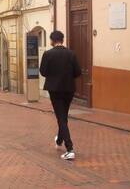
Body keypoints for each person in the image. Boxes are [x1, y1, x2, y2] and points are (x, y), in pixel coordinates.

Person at [40, 31, 82, 161]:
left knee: (61, 117)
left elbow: (43, 71)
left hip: (54, 89)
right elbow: (78, 72)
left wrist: (53, 76)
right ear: (62, 40)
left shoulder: (48, 54)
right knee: (63, 115)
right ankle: (59, 140)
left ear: (52, 40)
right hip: (69, 89)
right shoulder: (71, 54)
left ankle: (70, 149)